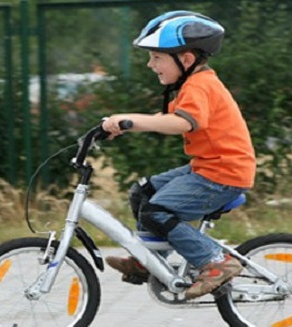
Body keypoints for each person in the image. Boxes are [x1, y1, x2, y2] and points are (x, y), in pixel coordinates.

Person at [101, 10, 256, 300]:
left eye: (157, 57)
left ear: (186, 59)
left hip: (223, 174)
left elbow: (181, 123)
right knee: (142, 193)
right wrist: (120, 125)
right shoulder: (191, 85)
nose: (150, 64)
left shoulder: (200, 85)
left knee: (157, 211)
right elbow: (166, 118)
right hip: (209, 167)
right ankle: (149, 260)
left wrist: (130, 121)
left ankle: (215, 262)